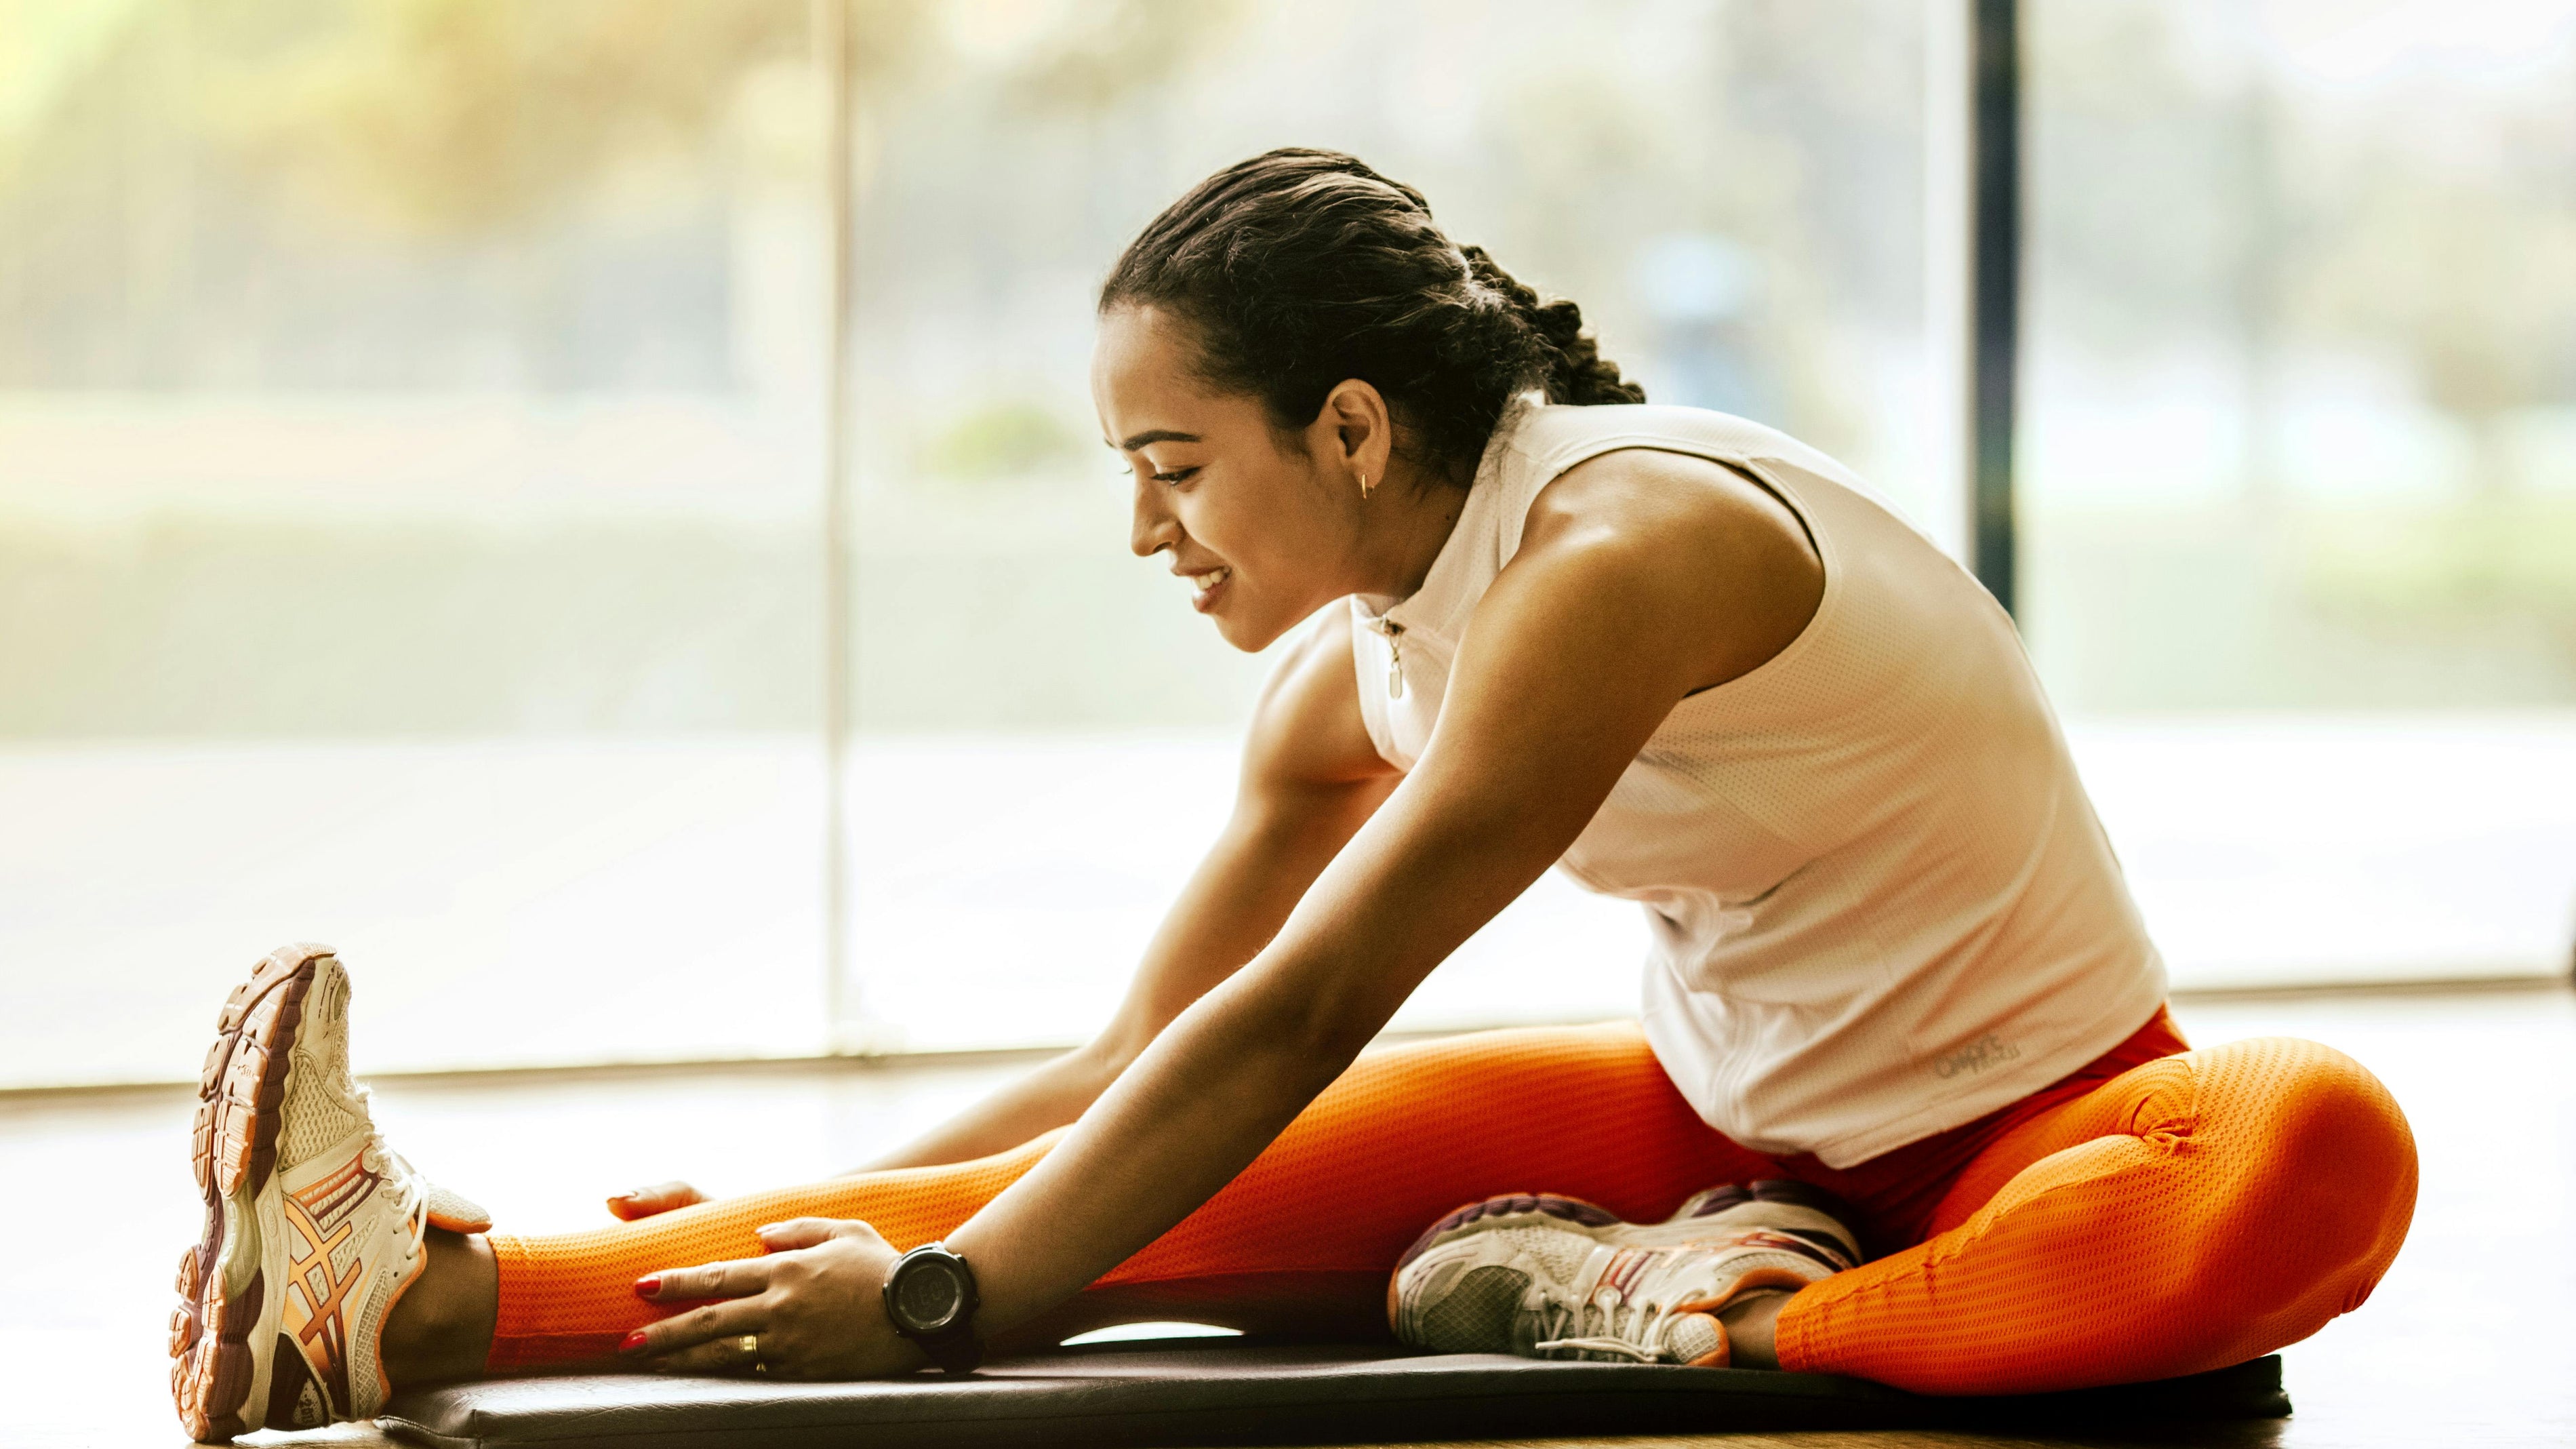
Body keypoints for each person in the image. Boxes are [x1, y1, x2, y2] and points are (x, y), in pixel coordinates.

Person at [168, 148, 2417, 1443]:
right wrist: (825, 1204)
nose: (1148, 530)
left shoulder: (1623, 560)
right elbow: (1139, 1069)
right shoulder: (1357, 669)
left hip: (2048, 1128)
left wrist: (959, 1301)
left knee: (2320, 1146)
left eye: (1175, 465)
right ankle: (377, 1295)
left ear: (1347, 427)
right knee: (1073, 1182)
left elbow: (1321, 995)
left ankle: (1701, 1312)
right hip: (1723, 1130)